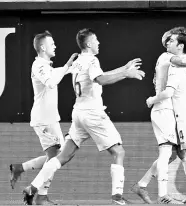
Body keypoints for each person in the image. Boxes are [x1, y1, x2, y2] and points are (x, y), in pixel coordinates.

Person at [21, 28, 145, 205]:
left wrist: (124, 68)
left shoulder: (79, 61)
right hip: (93, 114)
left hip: (78, 114)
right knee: (119, 152)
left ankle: (33, 188)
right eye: (96, 40)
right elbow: (100, 79)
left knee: (63, 156)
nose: (99, 43)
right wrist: (126, 74)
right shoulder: (92, 60)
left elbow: (100, 75)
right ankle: (117, 198)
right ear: (89, 44)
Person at [131, 27, 186, 204]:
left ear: (180, 45)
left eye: (171, 40)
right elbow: (177, 63)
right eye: (167, 40)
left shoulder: (182, 64)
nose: (167, 43)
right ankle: (163, 195)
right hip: (164, 108)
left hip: (176, 111)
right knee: (169, 152)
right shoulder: (168, 58)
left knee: (180, 153)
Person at [10, 31, 78, 205]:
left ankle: (22, 170)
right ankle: (36, 191)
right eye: (52, 43)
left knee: (54, 157)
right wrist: (66, 67)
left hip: (48, 118)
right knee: (62, 155)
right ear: (42, 47)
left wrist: (75, 66)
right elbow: (51, 81)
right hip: (45, 119)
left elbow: (62, 72)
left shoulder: (45, 65)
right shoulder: (39, 65)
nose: (55, 46)